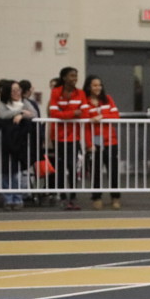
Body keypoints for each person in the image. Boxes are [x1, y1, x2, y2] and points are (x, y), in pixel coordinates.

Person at [0, 80, 37, 210]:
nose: (17, 93)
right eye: (13, 90)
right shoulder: (3, 103)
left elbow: (33, 114)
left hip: (20, 142)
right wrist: (20, 112)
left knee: (17, 173)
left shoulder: (25, 102)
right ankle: (8, 199)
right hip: (5, 142)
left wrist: (22, 115)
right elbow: (2, 114)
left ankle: (18, 198)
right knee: (6, 171)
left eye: (18, 90)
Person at [81, 75, 121, 210]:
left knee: (113, 170)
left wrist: (102, 116)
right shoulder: (85, 102)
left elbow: (116, 116)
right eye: (94, 85)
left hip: (110, 140)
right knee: (95, 171)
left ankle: (115, 197)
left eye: (99, 85)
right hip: (95, 141)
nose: (98, 88)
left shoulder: (107, 99)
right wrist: (89, 144)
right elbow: (86, 125)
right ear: (88, 87)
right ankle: (96, 197)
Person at [48, 66, 85, 210]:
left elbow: (84, 112)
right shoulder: (56, 92)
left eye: (76, 76)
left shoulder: (80, 93)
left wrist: (64, 114)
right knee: (60, 167)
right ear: (64, 77)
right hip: (58, 136)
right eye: (71, 76)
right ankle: (63, 197)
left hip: (74, 137)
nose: (74, 78)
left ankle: (73, 197)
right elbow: (54, 113)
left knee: (72, 167)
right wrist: (73, 113)